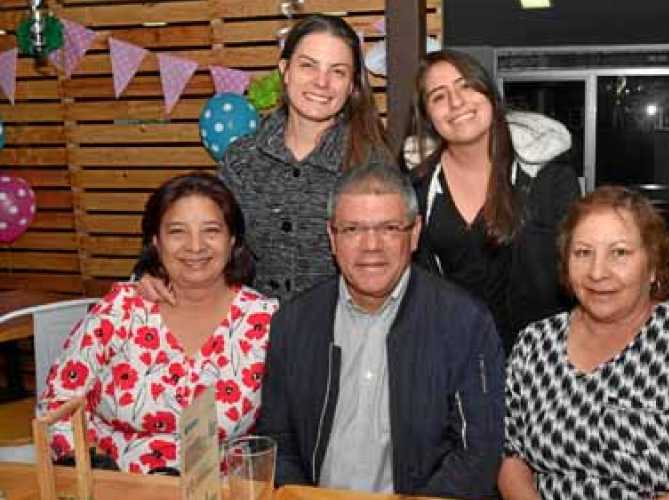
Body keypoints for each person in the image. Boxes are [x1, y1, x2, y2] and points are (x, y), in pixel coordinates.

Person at [257, 163, 505, 499]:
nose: (371, 245)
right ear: (332, 238)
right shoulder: (294, 323)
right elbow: (277, 442)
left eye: (389, 228)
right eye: (353, 229)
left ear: (414, 233)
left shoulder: (465, 322)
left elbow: (478, 452)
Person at [499, 186, 669, 499]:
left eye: (620, 253)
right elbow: (509, 452)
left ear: (653, 266)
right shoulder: (535, 345)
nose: (598, 272)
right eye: (583, 253)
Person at [138, 14, 391, 304]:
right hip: (253, 335)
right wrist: (154, 270)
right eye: (308, 66)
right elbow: (201, 232)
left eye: (338, 71)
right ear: (285, 70)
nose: (322, 82)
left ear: (352, 85)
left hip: (341, 334)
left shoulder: (373, 164)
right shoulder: (242, 158)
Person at [38, 173, 279, 473]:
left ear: (232, 240)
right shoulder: (120, 310)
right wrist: (96, 474)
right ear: (156, 241)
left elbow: (287, 429)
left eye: (211, 231)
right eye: (177, 232)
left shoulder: (265, 322)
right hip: (112, 486)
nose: (195, 246)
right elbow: (55, 408)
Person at [407, 49, 581, 355]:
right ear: (428, 118)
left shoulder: (549, 179)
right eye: (438, 96)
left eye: (466, 86)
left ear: (489, 93)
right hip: (456, 357)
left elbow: (578, 277)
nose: (456, 102)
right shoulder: (418, 187)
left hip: (541, 359)